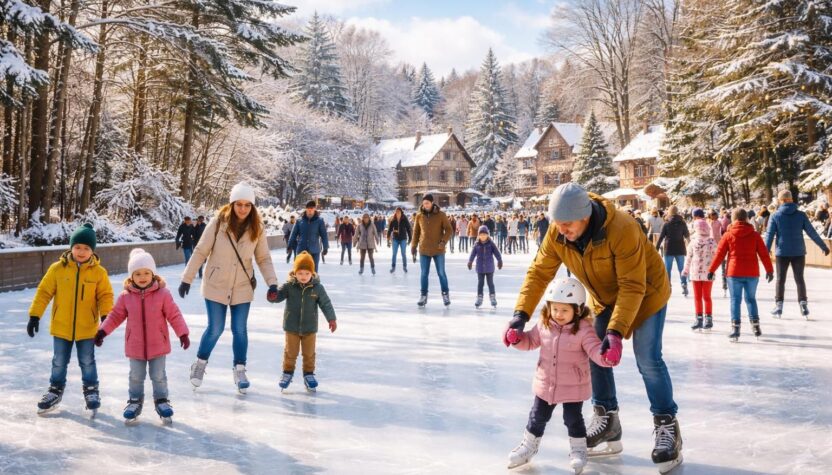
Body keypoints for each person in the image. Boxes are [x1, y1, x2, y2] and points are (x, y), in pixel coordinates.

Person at [506, 182, 682, 473]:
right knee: (594, 351)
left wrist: (615, 332)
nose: (561, 229)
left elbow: (632, 285)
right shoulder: (559, 233)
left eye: (566, 223)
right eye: (557, 224)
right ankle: (607, 420)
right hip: (605, 297)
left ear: (585, 215)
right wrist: (520, 315)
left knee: (647, 358)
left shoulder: (622, 229)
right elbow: (539, 272)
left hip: (647, 293)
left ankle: (667, 426)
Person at [505, 278, 617, 472]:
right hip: (545, 383)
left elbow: (594, 350)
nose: (558, 314)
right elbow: (530, 342)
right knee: (537, 417)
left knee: (573, 419)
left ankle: (578, 450)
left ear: (578, 309)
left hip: (573, 386)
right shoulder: (544, 324)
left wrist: (606, 356)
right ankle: (528, 446)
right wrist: (517, 339)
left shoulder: (584, 330)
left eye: (564, 310)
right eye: (555, 309)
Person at [179, 182, 279, 394]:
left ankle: (240, 369)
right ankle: (199, 364)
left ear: (252, 206)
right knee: (215, 328)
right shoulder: (218, 224)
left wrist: (272, 283)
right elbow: (200, 251)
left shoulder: (257, 229)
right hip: (216, 284)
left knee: (239, 329)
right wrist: (187, 278)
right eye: (239, 204)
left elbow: (263, 258)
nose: (243, 209)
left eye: (247, 205)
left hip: (242, 286)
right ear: (232, 204)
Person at [27, 224, 115, 415]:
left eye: (86, 248)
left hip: (87, 328)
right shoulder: (57, 269)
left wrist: (106, 316)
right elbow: (44, 292)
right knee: (59, 361)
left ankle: (91, 390)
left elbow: (105, 296)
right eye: (77, 247)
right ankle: (55, 390)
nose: (81, 251)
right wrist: (35, 315)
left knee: (87, 360)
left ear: (92, 251)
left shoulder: (99, 273)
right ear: (70, 247)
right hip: (61, 326)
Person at [94, 249, 190, 424]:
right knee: (136, 376)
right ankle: (134, 401)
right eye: (137, 273)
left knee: (158, 375)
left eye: (146, 272)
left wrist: (182, 333)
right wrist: (102, 331)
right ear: (131, 277)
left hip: (158, 345)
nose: (142, 276)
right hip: (135, 346)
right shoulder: (126, 297)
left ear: (153, 274)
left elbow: (174, 315)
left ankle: (162, 401)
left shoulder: (163, 294)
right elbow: (115, 316)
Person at [273, 252, 337, 393]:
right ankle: (287, 372)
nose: (303, 276)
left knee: (309, 353)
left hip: (309, 328)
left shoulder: (317, 288)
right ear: (295, 272)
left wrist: (331, 319)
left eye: (306, 273)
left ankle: (309, 374)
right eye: (300, 273)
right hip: (292, 327)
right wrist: (273, 295)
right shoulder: (289, 286)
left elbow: (326, 304)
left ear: (312, 273)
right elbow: (278, 296)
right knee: (291, 352)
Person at [709, 208, 774, 341]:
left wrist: (711, 270)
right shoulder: (755, 235)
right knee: (751, 299)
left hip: (734, 273)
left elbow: (719, 254)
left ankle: (735, 328)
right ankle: (755, 326)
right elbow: (764, 253)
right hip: (752, 273)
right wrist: (769, 269)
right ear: (746, 219)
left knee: (735, 300)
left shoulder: (728, 235)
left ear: (733, 219)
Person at [765, 190, 831, 318]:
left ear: (781, 200)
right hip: (798, 252)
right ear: (791, 199)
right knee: (799, 279)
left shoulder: (775, 216)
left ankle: (779, 306)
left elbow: (769, 236)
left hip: (782, 253)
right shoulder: (801, 215)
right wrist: (823, 246)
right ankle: (803, 305)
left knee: (780, 280)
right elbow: (812, 232)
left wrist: (764, 252)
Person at [412, 194, 454, 307]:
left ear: (432, 203)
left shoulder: (441, 215)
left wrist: (443, 242)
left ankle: (445, 294)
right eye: (424, 203)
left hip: (438, 249)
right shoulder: (419, 216)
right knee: (424, 274)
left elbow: (449, 230)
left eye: (427, 203)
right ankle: (423, 295)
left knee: (441, 273)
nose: (425, 205)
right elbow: (416, 232)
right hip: (424, 249)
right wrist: (413, 246)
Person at [682, 219, 718, 332]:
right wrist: (686, 270)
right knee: (700, 297)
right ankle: (699, 318)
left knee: (704, 296)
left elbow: (716, 257)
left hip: (707, 274)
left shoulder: (711, 242)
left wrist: (714, 269)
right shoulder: (693, 242)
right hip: (696, 273)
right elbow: (689, 257)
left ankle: (707, 318)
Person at [656, 205, 690, 297]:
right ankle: (684, 284)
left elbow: (661, 237)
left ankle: (668, 286)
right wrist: (690, 246)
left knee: (668, 269)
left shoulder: (666, 223)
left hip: (669, 248)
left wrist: (656, 248)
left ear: (669, 212)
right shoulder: (682, 223)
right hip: (680, 248)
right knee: (681, 268)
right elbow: (687, 236)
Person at [288, 200, 329, 272]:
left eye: (312, 208)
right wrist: (290, 245)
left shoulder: (319, 221)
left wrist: (325, 247)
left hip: (314, 251)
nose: (310, 210)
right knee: (299, 270)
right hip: (301, 250)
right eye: (308, 209)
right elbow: (293, 234)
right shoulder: (299, 221)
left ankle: (314, 283)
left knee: (314, 272)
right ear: (306, 209)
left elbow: (324, 235)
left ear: (314, 209)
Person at [467, 225, 503, 308]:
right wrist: (470, 261)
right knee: (480, 283)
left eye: (484, 234)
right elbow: (472, 254)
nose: (483, 236)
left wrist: (499, 260)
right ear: (478, 235)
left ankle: (493, 298)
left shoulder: (491, 244)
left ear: (487, 235)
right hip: (480, 268)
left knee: (490, 283)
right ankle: (479, 298)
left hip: (490, 267)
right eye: (481, 234)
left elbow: (497, 253)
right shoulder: (476, 244)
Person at [388, 207, 412, 273]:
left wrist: (410, 238)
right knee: (394, 254)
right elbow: (389, 229)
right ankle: (393, 267)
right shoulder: (393, 219)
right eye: (396, 212)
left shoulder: (404, 219)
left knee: (403, 253)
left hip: (403, 239)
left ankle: (404, 266)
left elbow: (408, 229)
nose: (398, 213)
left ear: (401, 212)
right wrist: (388, 239)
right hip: (395, 239)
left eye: (399, 212)